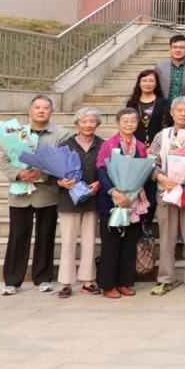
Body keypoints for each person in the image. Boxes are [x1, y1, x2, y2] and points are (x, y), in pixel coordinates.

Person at [1, 95, 69, 296]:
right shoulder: (16, 132)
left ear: (52, 112)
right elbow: (5, 160)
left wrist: (43, 174)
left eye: (45, 108)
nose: (41, 111)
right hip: (19, 193)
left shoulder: (61, 134)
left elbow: (64, 162)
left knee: (45, 235)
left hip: (47, 194)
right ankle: (12, 281)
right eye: (37, 107)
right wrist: (18, 174)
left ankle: (43, 278)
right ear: (30, 111)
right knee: (17, 236)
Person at [149, 96, 185, 296]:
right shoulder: (162, 135)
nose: (183, 114)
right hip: (166, 190)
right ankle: (165, 279)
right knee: (167, 237)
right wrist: (162, 178)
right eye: (179, 110)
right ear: (172, 113)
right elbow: (152, 162)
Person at [96, 108, 150, 298]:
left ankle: (124, 282)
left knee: (129, 244)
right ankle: (108, 284)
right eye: (125, 120)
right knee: (110, 244)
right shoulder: (108, 145)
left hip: (132, 202)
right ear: (118, 123)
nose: (129, 124)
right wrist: (114, 192)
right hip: (111, 201)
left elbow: (143, 172)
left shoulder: (141, 147)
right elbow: (102, 170)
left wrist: (132, 194)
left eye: (133, 120)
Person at [55, 107, 104, 298]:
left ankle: (88, 280)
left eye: (92, 121)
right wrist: (61, 182)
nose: (88, 125)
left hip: (92, 199)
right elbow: (52, 172)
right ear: (77, 123)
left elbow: (108, 169)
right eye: (84, 121)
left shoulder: (102, 144)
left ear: (97, 124)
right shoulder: (66, 145)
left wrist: (99, 183)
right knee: (68, 242)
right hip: (69, 200)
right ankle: (66, 283)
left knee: (89, 241)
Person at [127, 69, 170, 150]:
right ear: (139, 83)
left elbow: (166, 127)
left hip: (157, 147)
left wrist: (156, 145)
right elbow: (127, 125)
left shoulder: (164, 102)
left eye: (151, 81)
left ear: (156, 83)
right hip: (135, 146)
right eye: (144, 80)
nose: (147, 84)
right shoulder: (132, 103)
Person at [155, 34, 185, 103]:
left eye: (182, 47)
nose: (178, 50)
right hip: (164, 106)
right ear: (170, 49)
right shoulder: (160, 68)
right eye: (174, 47)